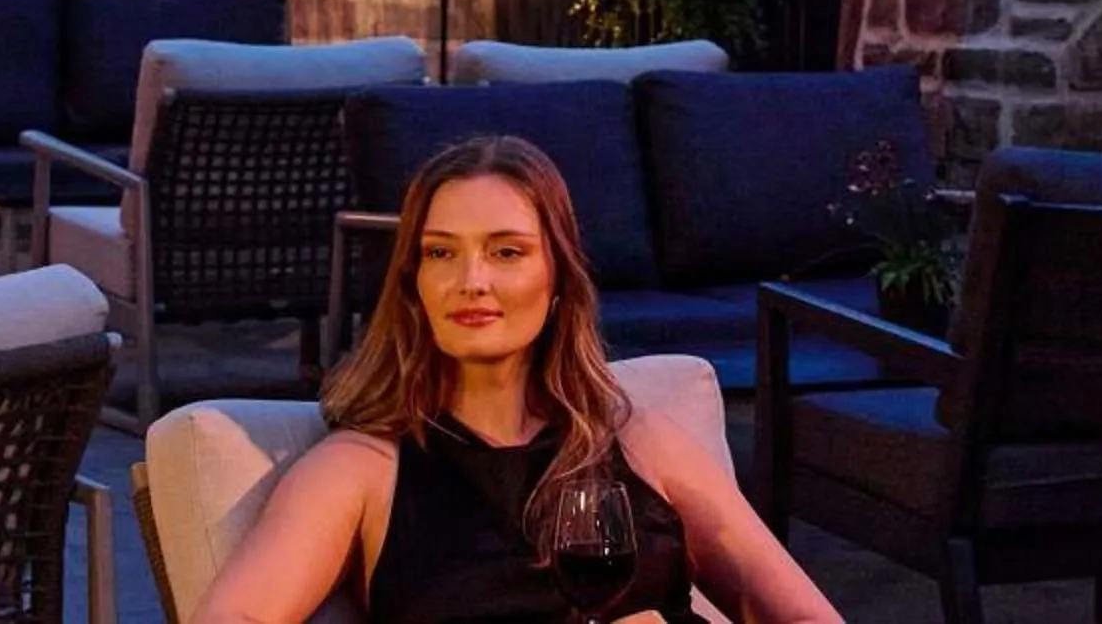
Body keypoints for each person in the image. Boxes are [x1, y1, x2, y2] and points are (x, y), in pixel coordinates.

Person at [194, 135, 842, 624]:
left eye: (506, 252)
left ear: (558, 279)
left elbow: (803, 614)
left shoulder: (640, 441)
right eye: (441, 252)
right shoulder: (362, 468)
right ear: (414, 285)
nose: (471, 280)